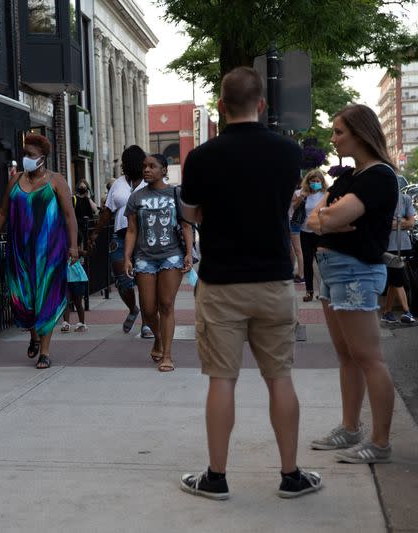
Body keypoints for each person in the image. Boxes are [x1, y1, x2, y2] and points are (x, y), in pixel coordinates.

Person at [179, 67, 321, 500]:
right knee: (280, 377)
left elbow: (188, 214)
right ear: (261, 105)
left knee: (222, 379)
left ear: (221, 107)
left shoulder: (201, 157)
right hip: (274, 279)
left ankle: (217, 478)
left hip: (221, 282)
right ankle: (290, 474)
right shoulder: (287, 153)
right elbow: (283, 206)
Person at [305, 104, 399, 465]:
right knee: (347, 356)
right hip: (331, 269)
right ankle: (350, 428)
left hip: (356, 269)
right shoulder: (348, 178)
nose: (333, 138)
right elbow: (314, 218)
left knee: (369, 358)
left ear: (360, 133)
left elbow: (332, 216)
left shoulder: (379, 176)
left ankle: (379, 442)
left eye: (339, 132)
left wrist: (328, 219)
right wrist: (327, 220)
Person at [0, 133, 78, 369]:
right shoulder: (14, 181)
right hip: (19, 251)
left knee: (45, 298)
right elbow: (3, 213)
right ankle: (34, 335)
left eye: (30, 155)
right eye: (24, 154)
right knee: (23, 301)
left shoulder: (56, 181)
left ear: (42, 158)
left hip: (50, 252)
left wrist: (74, 245)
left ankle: (44, 352)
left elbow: (69, 215)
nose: (25, 158)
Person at [123, 153, 193, 372]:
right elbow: (132, 230)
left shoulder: (176, 193)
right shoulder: (136, 197)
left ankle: (167, 355)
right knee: (148, 309)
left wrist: (189, 253)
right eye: (144, 166)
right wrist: (127, 257)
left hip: (171, 255)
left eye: (152, 166)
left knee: (166, 304)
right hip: (144, 258)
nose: (146, 170)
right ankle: (158, 339)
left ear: (164, 170)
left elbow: (186, 225)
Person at [88, 146, 148, 336]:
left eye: (125, 161)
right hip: (120, 236)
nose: (122, 165)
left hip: (145, 238)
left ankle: (147, 323)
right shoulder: (119, 183)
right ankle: (133, 308)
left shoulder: (148, 182)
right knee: (122, 281)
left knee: (145, 281)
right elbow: (107, 210)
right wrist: (96, 233)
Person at [380, 191, 417, 324]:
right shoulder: (380, 198)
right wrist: (402, 221)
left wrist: (394, 223)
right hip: (388, 246)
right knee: (398, 277)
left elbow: (411, 222)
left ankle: (387, 312)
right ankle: (407, 312)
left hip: (404, 245)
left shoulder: (405, 198)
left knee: (394, 279)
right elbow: (380, 224)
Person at [298, 170, 329, 302]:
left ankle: (324, 291)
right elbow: (294, 208)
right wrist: (301, 198)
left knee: (321, 262)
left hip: (319, 232)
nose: (315, 183)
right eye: (313, 181)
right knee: (307, 262)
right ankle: (309, 291)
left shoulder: (325, 195)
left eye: (317, 181)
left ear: (322, 182)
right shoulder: (304, 194)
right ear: (308, 182)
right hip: (305, 232)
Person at [60, 231, 89, 333]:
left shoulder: (76, 250)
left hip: (78, 278)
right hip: (66, 278)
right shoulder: (62, 249)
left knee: (78, 302)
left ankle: (82, 323)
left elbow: (84, 253)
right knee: (66, 301)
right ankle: (66, 323)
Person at [288, 188, 306, 284]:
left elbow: (294, 206)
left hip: (293, 222)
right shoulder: (298, 192)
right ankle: (293, 272)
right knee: (292, 250)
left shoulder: (297, 193)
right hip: (290, 222)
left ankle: (301, 275)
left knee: (297, 250)